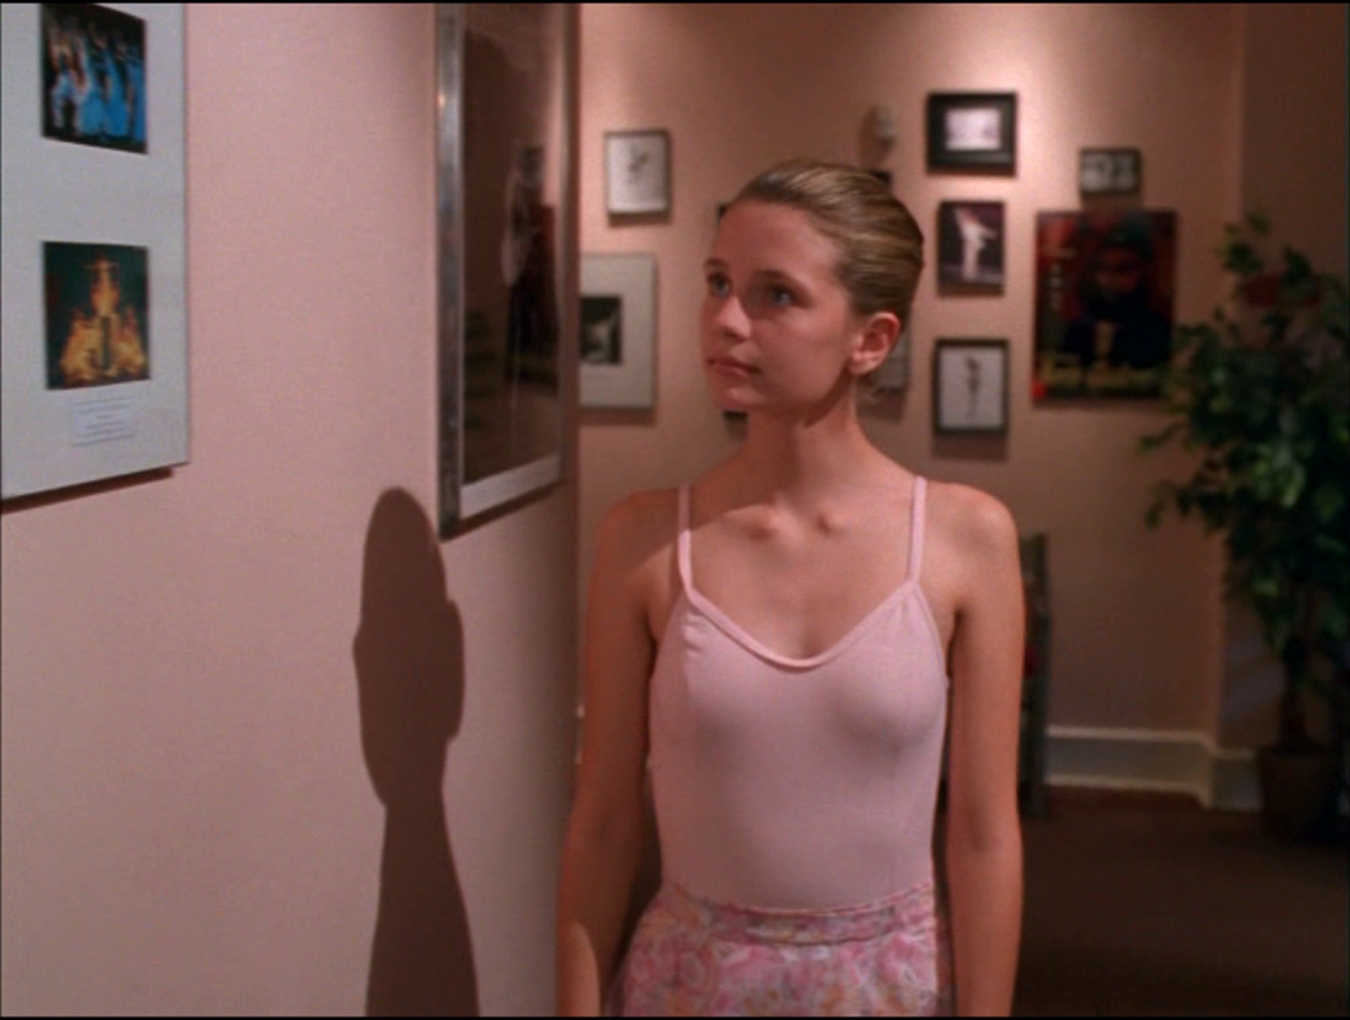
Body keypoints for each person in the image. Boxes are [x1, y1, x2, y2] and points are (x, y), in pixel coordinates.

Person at [556, 158, 1024, 1017]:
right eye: (718, 283)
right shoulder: (646, 540)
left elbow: (984, 834)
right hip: (691, 988)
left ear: (869, 340)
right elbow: (605, 822)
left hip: (887, 989)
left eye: (776, 295)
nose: (726, 320)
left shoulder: (965, 540)